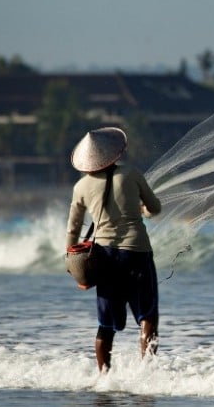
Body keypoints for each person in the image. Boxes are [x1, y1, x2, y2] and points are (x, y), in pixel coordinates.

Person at [66, 127, 162, 372]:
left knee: (105, 325)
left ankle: (104, 378)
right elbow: (155, 208)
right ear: (113, 153)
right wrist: (140, 210)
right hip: (137, 252)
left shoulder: (81, 187)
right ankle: (146, 374)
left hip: (104, 258)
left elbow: (73, 229)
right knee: (147, 315)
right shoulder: (131, 174)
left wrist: (71, 261)